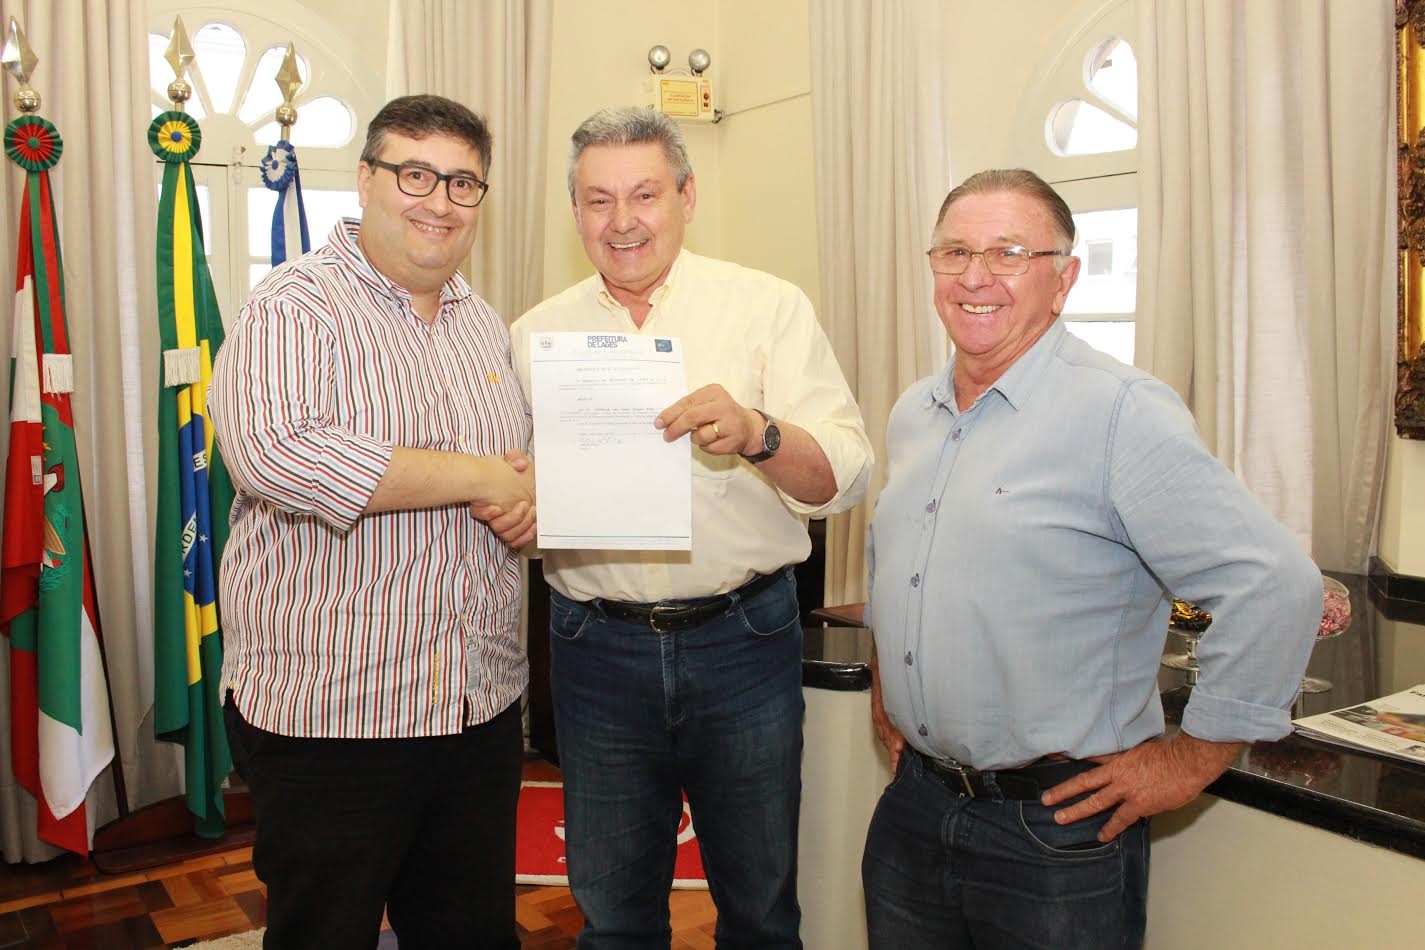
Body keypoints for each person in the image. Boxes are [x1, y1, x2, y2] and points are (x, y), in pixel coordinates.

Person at [861, 168, 1322, 949]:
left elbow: (1274, 584)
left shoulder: (1118, 412)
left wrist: (1188, 760)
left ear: (1063, 279)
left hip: (1052, 830)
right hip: (915, 806)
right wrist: (889, 685)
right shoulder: (915, 411)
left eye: (1008, 253)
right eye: (954, 252)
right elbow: (899, 565)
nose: (974, 276)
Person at [511, 106, 872, 948]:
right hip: (594, 648)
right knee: (612, 916)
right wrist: (512, 506)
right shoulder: (533, 335)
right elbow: (522, 506)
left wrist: (757, 432)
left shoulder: (767, 308)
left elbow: (846, 477)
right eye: (598, 200)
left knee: (759, 910)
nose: (623, 221)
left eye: (644, 194)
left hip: (742, 642)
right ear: (574, 211)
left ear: (687, 196)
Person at [209, 94, 536, 950]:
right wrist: (477, 476)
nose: (440, 202)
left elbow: (518, 475)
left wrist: (526, 508)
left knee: (469, 934)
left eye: (463, 183)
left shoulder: (483, 324)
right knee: (325, 934)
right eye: (415, 174)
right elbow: (276, 454)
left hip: (475, 705)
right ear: (365, 179)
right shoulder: (294, 306)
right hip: (337, 715)